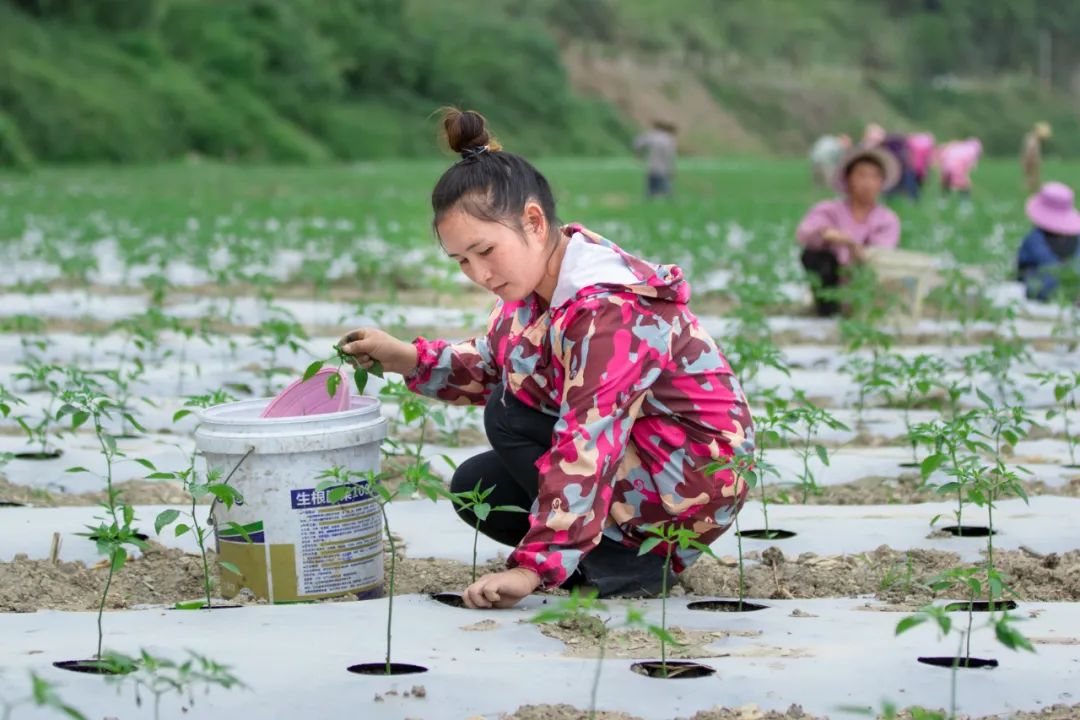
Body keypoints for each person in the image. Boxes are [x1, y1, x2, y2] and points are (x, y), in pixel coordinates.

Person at [338, 109, 753, 609]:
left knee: (507, 410)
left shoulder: (609, 310)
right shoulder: (534, 291)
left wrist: (532, 570)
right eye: (462, 261)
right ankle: (605, 558)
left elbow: (588, 438)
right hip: (642, 464)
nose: (479, 272)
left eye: (485, 251)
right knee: (479, 488)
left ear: (533, 222)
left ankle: (638, 559)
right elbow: (496, 361)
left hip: (688, 482)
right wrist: (406, 358)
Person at [795, 146, 901, 316]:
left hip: (865, 283)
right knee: (814, 256)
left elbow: (883, 252)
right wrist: (830, 235)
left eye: (875, 177)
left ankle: (860, 307)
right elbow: (805, 234)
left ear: (881, 183)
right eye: (861, 175)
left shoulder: (886, 219)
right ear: (848, 179)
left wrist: (859, 251)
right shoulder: (830, 210)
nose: (867, 183)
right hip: (833, 283)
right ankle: (828, 309)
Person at [1017, 181, 1080, 302]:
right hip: (1075, 289)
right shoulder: (1077, 237)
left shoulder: (1034, 238)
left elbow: (1020, 268)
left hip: (1043, 291)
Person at [633, 120, 677, 199]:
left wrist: (638, 156)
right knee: (665, 185)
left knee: (651, 186)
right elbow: (669, 156)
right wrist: (671, 169)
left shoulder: (651, 136)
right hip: (663, 167)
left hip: (652, 165)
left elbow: (637, 143)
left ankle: (649, 199)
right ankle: (670, 199)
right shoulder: (668, 139)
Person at [1021, 122, 1053, 193]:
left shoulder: (1032, 139)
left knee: (1033, 177)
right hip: (1031, 161)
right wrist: (1032, 162)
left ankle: (1033, 190)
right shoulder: (1033, 141)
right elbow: (1030, 153)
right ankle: (1029, 190)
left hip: (1031, 161)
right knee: (1032, 177)